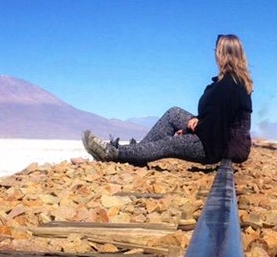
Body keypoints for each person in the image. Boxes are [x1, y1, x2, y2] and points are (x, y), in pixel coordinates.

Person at [82, 34, 253, 165]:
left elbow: (216, 126)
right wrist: (197, 122)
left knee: (168, 144)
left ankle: (113, 153)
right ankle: (137, 152)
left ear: (223, 54)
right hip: (219, 137)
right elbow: (217, 118)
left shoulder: (229, 86)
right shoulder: (229, 82)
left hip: (219, 146)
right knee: (174, 113)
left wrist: (188, 131)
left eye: (217, 50)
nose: (214, 54)